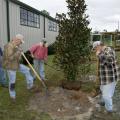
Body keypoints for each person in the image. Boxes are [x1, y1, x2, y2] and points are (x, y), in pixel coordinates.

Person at [3, 34, 34, 101]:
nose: (21, 43)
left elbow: (18, 57)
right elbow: (10, 58)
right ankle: (12, 96)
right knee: (12, 82)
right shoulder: (8, 46)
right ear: (17, 40)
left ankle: (30, 85)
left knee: (27, 70)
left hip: (17, 64)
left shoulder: (17, 46)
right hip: (10, 66)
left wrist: (20, 54)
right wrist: (18, 52)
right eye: (20, 42)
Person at [92, 41, 120, 113]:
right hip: (105, 77)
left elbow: (109, 61)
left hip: (110, 78)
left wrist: (99, 54)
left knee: (106, 95)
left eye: (95, 48)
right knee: (102, 88)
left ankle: (109, 110)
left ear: (98, 46)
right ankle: (103, 102)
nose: (95, 50)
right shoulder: (103, 51)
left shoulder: (109, 50)